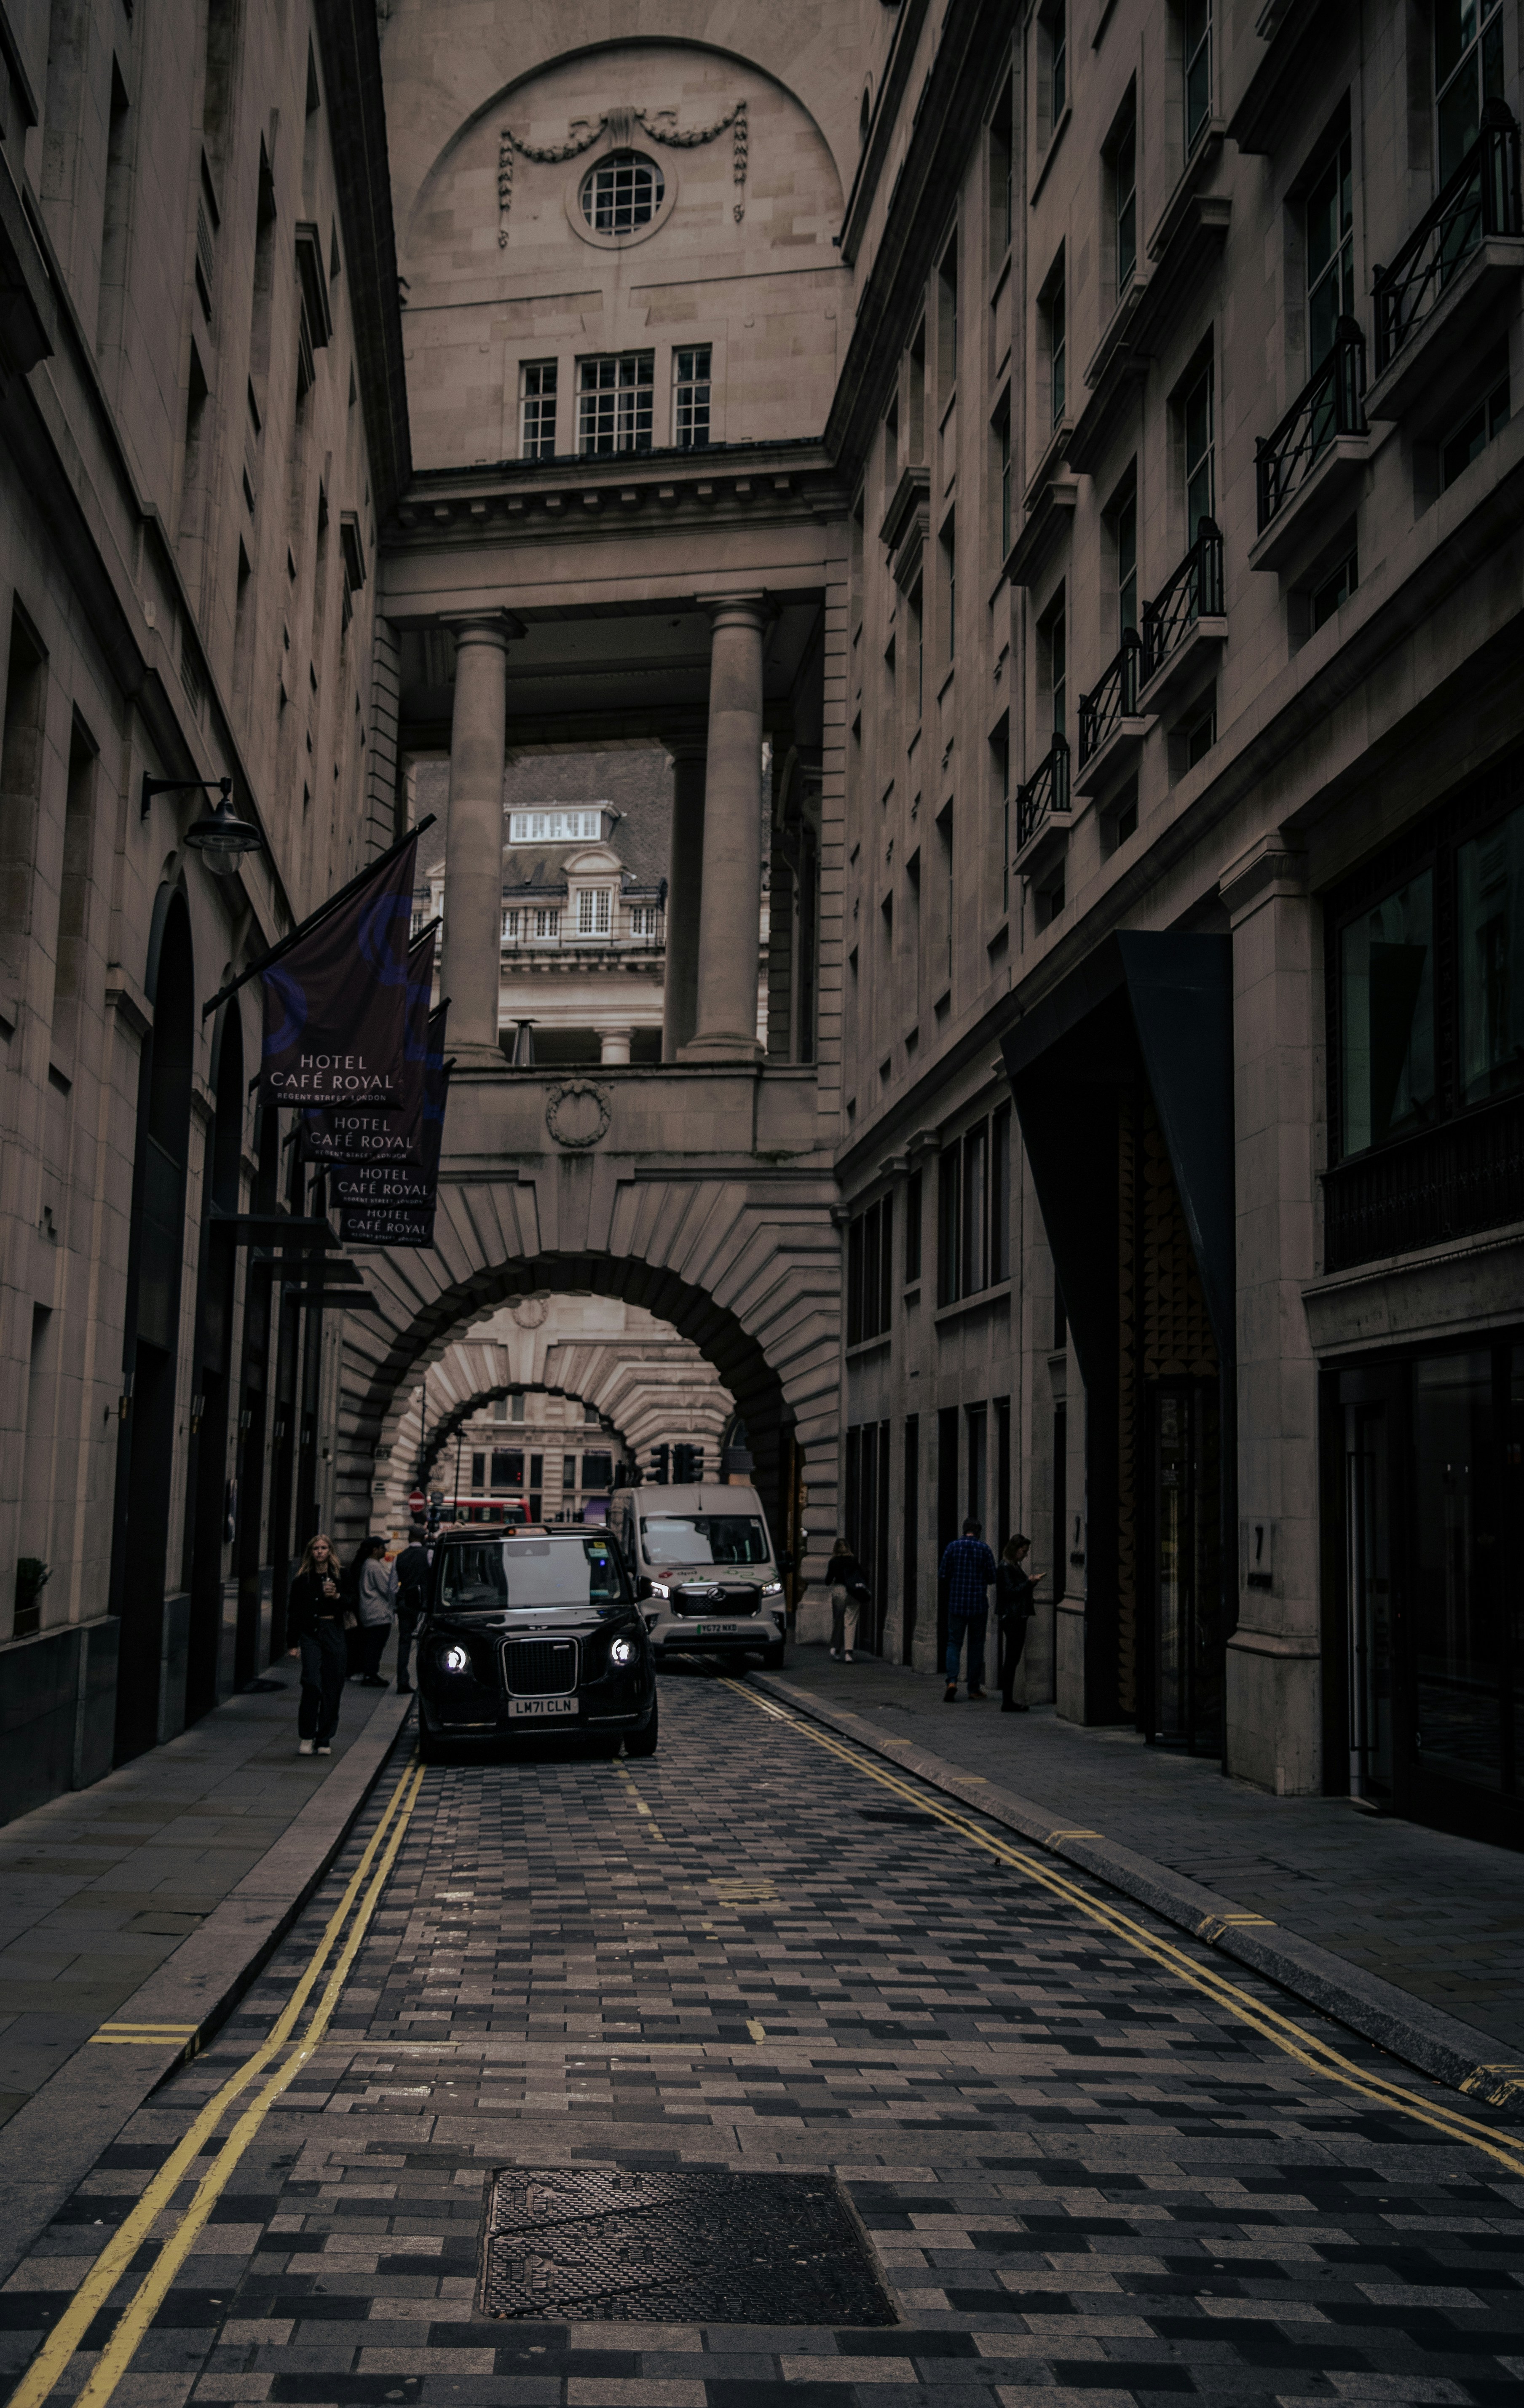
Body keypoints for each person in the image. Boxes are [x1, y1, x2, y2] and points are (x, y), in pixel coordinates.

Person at [289, 1533, 348, 1756]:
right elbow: (293, 1613)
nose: (320, 1552)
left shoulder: (341, 1576)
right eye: (316, 1548)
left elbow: (353, 1603)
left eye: (324, 1548)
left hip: (334, 1632)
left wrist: (337, 1597)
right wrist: (292, 1643)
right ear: (311, 1553)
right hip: (311, 1635)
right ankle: (307, 1736)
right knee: (312, 1683)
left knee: (333, 1688)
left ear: (330, 1551)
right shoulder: (302, 1580)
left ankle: (324, 1738)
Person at [940, 1516, 997, 1702]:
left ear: (964, 1530)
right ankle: (973, 1688)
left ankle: (952, 1682)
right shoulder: (985, 1550)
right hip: (978, 1606)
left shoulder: (952, 1547)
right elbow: (992, 1577)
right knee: (976, 1645)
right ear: (978, 1531)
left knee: (954, 1643)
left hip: (957, 1604)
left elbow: (943, 1574)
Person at [995, 1533, 1039, 1712]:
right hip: (1012, 1618)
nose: (1026, 1554)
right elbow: (1011, 1592)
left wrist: (1030, 1583)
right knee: (1011, 1660)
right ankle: (1007, 1701)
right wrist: (1029, 1583)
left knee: (1013, 1659)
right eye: (1024, 1551)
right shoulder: (1005, 1567)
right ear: (1015, 1550)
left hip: (1017, 1617)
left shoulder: (1013, 1566)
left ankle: (1009, 1701)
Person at [351, 1536, 396, 1687]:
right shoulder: (374, 1566)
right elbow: (387, 1589)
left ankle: (371, 1674)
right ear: (375, 1550)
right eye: (383, 1547)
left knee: (373, 1645)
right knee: (375, 1646)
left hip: (371, 1612)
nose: (386, 1550)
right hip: (378, 1612)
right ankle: (370, 1675)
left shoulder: (368, 1564)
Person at [394, 1522, 431, 1694]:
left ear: (410, 1538)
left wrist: (397, 1601)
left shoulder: (399, 1557)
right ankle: (425, 1681)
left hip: (405, 1603)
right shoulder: (429, 1555)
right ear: (423, 1538)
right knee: (424, 1643)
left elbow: (392, 1586)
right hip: (423, 1605)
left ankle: (402, 1680)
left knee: (404, 1642)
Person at [826, 1534, 868, 1662]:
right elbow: (863, 1576)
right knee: (850, 1622)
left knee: (838, 1621)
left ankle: (836, 1648)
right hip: (854, 1593)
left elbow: (827, 1581)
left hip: (840, 1591)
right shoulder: (853, 1560)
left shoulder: (833, 1562)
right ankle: (849, 1653)